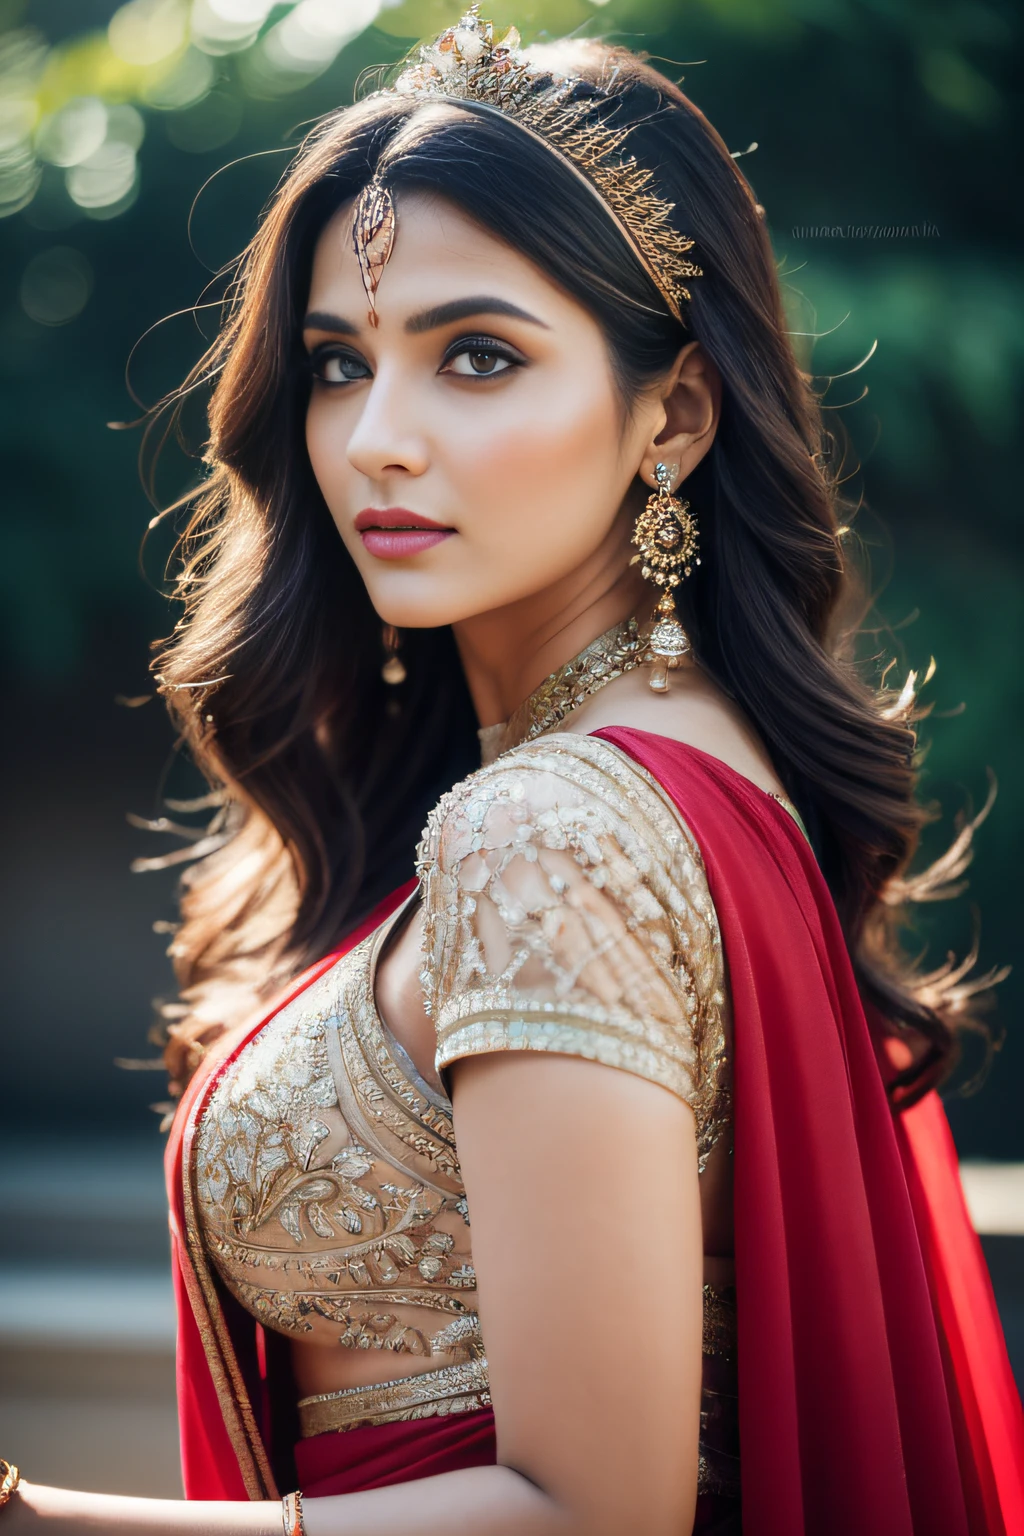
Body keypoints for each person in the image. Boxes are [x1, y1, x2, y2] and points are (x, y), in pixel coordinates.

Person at [3, 9, 1021, 1535]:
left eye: (477, 356)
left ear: (671, 412)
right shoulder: (703, 776)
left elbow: (590, 1508)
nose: (377, 442)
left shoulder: (542, 828)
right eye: (338, 364)